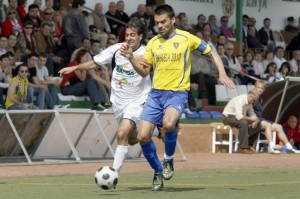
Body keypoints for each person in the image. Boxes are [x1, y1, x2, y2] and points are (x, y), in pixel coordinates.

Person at [119, 4, 234, 191]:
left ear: (173, 20)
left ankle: (169, 160)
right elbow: (144, 72)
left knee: (169, 124)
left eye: (163, 22)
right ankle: (158, 171)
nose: (160, 26)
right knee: (141, 136)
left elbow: (212, 52)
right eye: (157, 23)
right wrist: (132, 58)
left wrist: (221, 73)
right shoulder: (154, 43)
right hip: (155, 95)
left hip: (177, 92)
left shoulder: (187, 38)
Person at [59, 18, 160, 177]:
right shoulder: (116, 49)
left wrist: (131, 58)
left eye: (133, 35)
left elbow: (143, 73)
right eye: (127, 35)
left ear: (141, 36)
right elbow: (94, 63)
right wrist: (74, 67)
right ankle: (154, 132)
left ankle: (114, 174)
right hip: (119, 102)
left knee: (121, 133)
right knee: (133, 139)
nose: (129, 38)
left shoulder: (147, 52)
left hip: (138, 100)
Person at [252, 80, 300, 154]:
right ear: (254, 88)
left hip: (261, 119)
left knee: (279, 127)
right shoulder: (251, 97)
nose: (260, 89)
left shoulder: (260, 97)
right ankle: (271, 147)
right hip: (253, 120)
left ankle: (289, 147)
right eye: (258, 87)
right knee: (267, 125)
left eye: (262, 88)